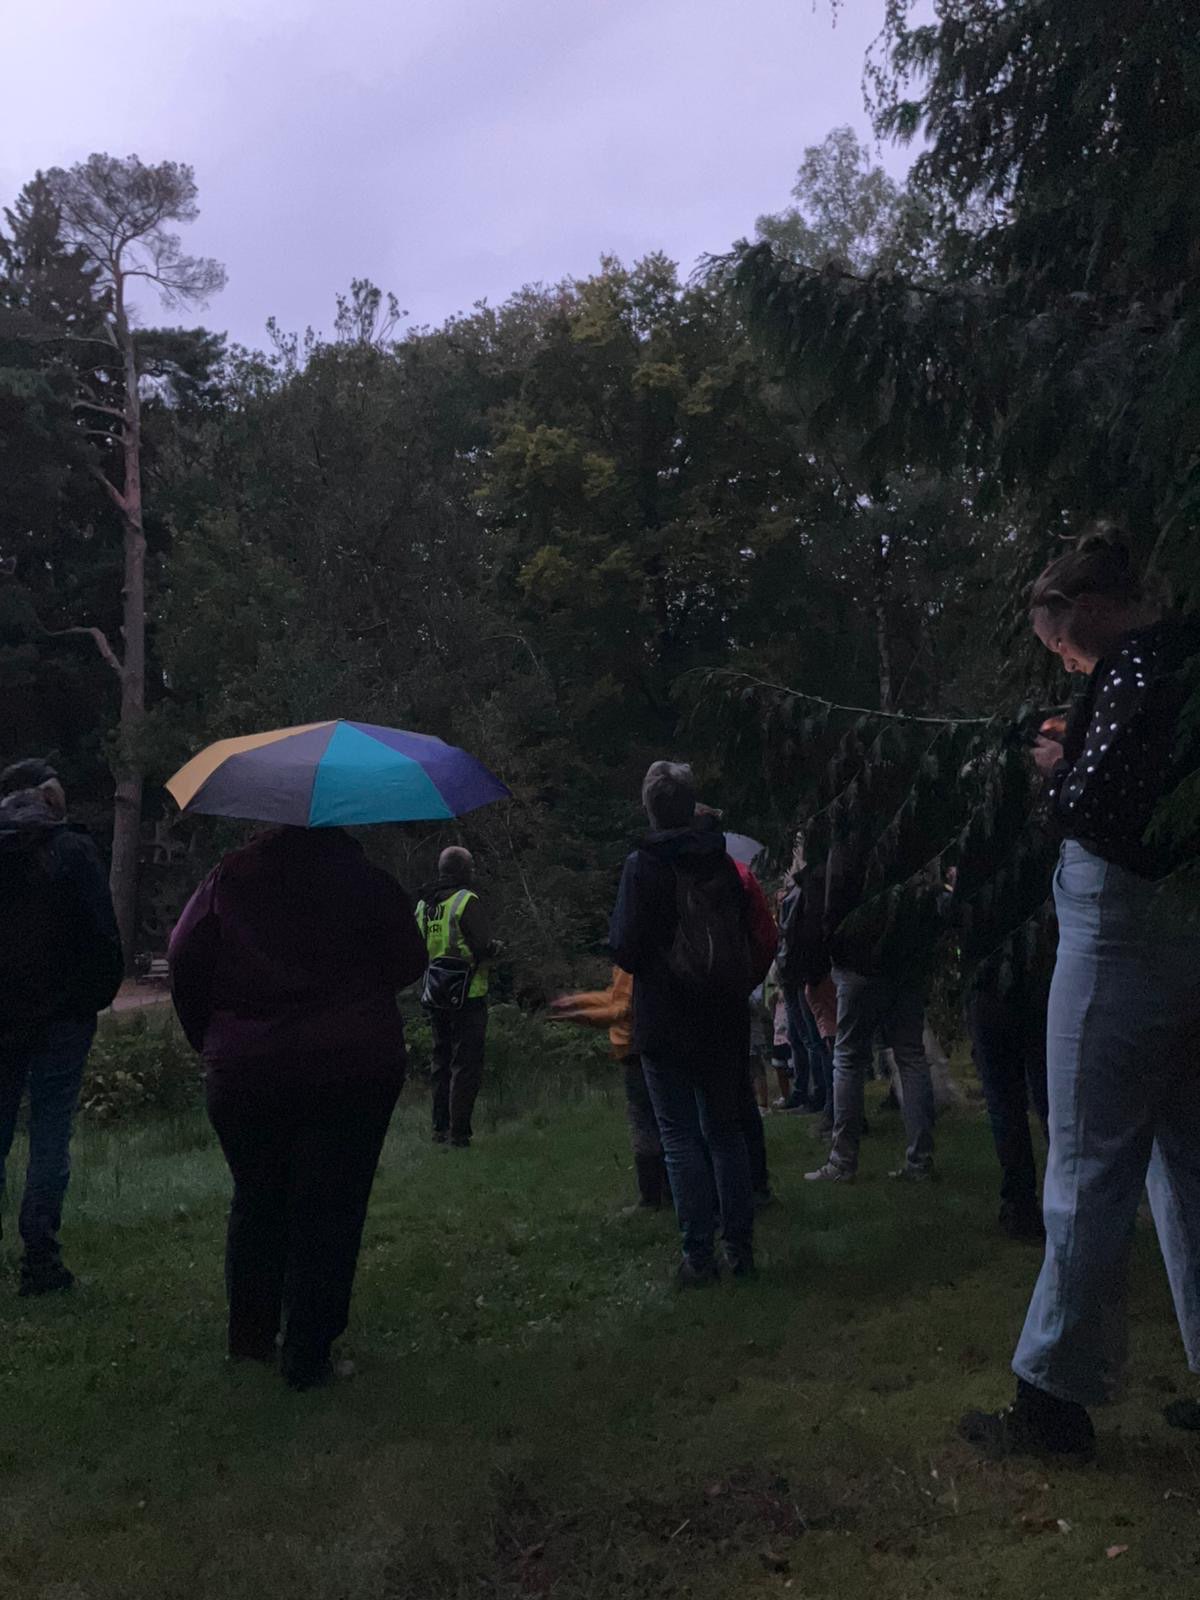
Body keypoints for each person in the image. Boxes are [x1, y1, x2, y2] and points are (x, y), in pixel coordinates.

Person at [961, 531, 1200, 1458]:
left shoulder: (1135, 670)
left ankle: (1055, 1398)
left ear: (1088, 607)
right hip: (1182, 931)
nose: (1061, 656)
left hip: (1121, 935)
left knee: (1088, 1160)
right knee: (1186, 1158)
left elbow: (1099, 809)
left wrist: (1058, 771)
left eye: (1057, 637)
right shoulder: (1184, 658)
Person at [169, 826, 427, 1390]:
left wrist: (211, 1036)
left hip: (246, 1067)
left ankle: (252, 1339)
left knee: (258, 1195)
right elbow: (410, 960)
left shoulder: (228, 879)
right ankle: (307, 1354)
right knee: (332, 1204)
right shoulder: (370, 884)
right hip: (352, 1063)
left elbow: (183, 955)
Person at [609, 763, 775, 1286]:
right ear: (692, 805)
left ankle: (698, 1258)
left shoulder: (643, 865)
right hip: (722, 1013)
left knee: (680, 1137)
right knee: (725, 1134)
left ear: (649, 808)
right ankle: (741, 1251)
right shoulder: (721, 861)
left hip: (664, 1018)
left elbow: (626, 949)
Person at [0, 759, 123, 1296]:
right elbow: (103, 939)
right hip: (62, 1023)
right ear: (49, 796)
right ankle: (41, 1262)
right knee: (50, 1138)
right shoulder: (73, 853)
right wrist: (87, 1002)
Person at [803, 820, 937, 1185]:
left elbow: (833, 901)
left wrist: (837, 949)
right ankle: (920, 1160)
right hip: (904, 959)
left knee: (848, 1058)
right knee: (910, 1055)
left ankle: (843, 1161)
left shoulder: (849, 837)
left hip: (860, 961)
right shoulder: (910, 830)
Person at [550, 966, 670, 1212]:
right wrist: (576, 1001)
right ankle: (668, 1193)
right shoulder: (633, 959)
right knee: (659, 1122)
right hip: (641, 1048)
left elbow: (623, 1009)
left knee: (646, 1125)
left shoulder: (634, 958)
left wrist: (580, 1015)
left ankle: (651, 1198)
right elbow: (615, 997)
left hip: (636, 1050)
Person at [415, 847, 498, 1149]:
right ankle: (459, 1133)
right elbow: (482, 946)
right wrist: (495, 950)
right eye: (471, 864)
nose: (474, 870)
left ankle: (439, 1129)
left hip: (434, 992)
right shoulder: (466, 901)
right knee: (465, 1064)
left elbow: (416, 947)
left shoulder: (424, 905)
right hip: (469, 994)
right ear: (462, 870)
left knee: (440, 1060)